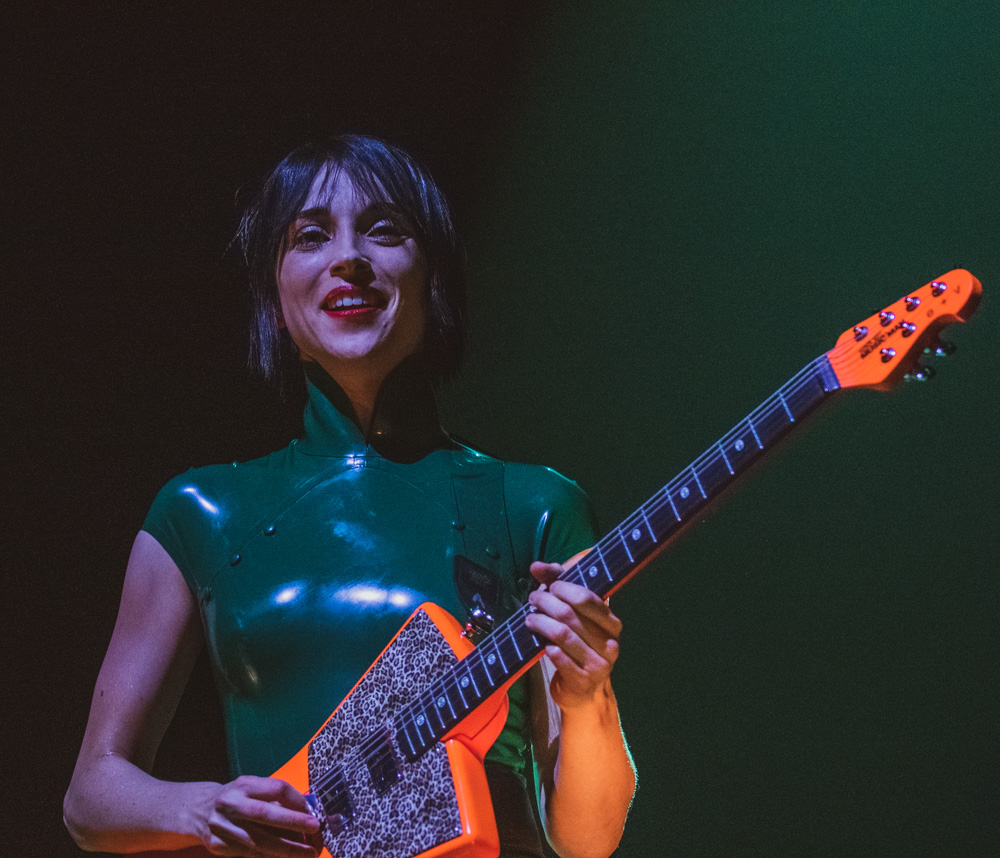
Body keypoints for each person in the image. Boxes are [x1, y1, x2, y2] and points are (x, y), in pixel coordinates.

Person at [64, 134, 636, 858]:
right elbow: (91, 795)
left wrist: (588, 698)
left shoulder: (535, 505)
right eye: (310, 236)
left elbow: (588, 839)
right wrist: (205, 808)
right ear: (274, 297)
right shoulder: (198, 513)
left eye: (385, 229)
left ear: (433, 279)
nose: (348, 258)